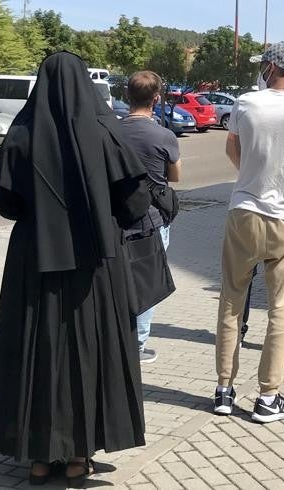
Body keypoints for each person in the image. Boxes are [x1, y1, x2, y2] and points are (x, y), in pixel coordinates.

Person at [0, 52, 150, 485]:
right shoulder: (104, 129)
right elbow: (135, 202)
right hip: (94, 261)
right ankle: (78, 455)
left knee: (37, 351)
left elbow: (5, 202)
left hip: (35, 258)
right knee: (87, 353)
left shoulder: (22, 130)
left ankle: (39, 456)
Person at [215, 43, 284, 423]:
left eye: (263, 64)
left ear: (271, 66)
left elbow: (233, 147)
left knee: (232, 301)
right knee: (280, 308)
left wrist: (250, 174)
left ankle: (224, 389)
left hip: (245, 210)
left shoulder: (247, 103)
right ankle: (268, 396)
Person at [119, 71, 182, 365]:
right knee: (147, 283)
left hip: (116, 217)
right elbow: (176, 176)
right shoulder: (164, 135)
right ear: (156, 99)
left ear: (126, 96)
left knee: (117, 280)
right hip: (152, 219)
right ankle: (138, 345)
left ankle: (115, 338)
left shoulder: (112, 131)